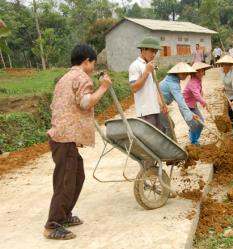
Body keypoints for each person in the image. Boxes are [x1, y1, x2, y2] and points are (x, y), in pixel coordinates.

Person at [44, 44, 112, 240]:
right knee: (66, 181)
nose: (93, 66)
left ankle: (64, 216)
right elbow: (85, 102)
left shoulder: (64, 78)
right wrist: (104, 87)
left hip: (62, 136)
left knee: (77, 176)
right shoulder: (81, 77)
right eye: (93, 62)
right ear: (86, 61)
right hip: (64, 137)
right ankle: (52, 224)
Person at [128, 37, 168, 165]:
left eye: (155, 52)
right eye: (151, 51)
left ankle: (155, 171)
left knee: (160, 140)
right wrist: (146, 73)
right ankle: (147, 176)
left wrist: (162, 104)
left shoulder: (148, 66)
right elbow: (134, 88)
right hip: (145, 112)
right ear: (143, 50)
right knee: (149, 146)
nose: (153, 54)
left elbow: (153, 89)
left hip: (155, 110)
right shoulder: (135, 66)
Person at [159, 62, 200, 139]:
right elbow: (180, 101)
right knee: (170, 126)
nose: (185, 75)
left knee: (165, 127)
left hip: (160, 105)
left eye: (186, 73)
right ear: (177, 73)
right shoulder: (173, 84)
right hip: (158, 106)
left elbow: (179, 100)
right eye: (183, 73)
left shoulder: (172, 80)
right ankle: (169, 146)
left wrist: (191, 113)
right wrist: (190, 115)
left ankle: (168, 144)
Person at [183, 62, 212, 144]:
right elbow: (197, 95)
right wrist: (205, 103)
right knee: (195, 125)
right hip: (186, 106)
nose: (200, 73)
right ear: (194, 72)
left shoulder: (199, 79)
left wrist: (202, 101)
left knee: (201, 122)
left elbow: (199, 92)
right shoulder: (192, 82)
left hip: (193, 105)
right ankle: (194, 141)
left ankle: (193, 136)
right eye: (198, 71)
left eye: (202, 71)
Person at [216, 55, 233, 137]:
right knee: (230, 113)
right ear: (222, 64)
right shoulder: (221, 71)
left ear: (231, 65)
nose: (226, 66)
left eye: (229, 64)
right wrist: (224, 88)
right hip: (229, 94)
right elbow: (225, 82)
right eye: (225, 64)